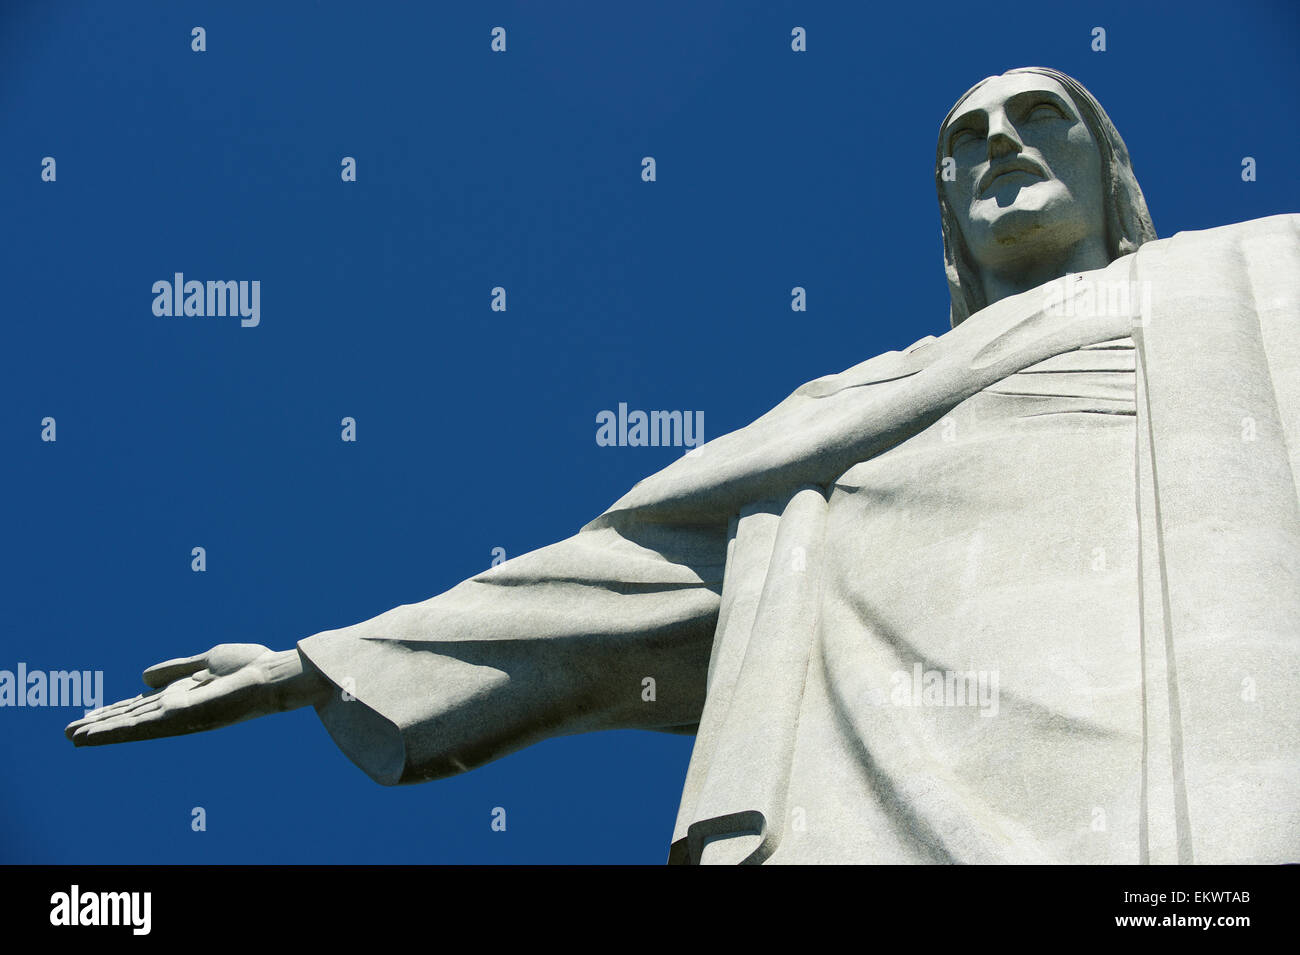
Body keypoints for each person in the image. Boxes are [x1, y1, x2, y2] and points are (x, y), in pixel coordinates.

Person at [67, 67, 1300, 865]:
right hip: (868, 789)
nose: (999, 144)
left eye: (1041, 117)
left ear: (1105, 165)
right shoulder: (843, 413)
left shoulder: (1245, 282)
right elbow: (616, 578)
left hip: (1189, 768)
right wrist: (307, 665)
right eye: (964, 136)